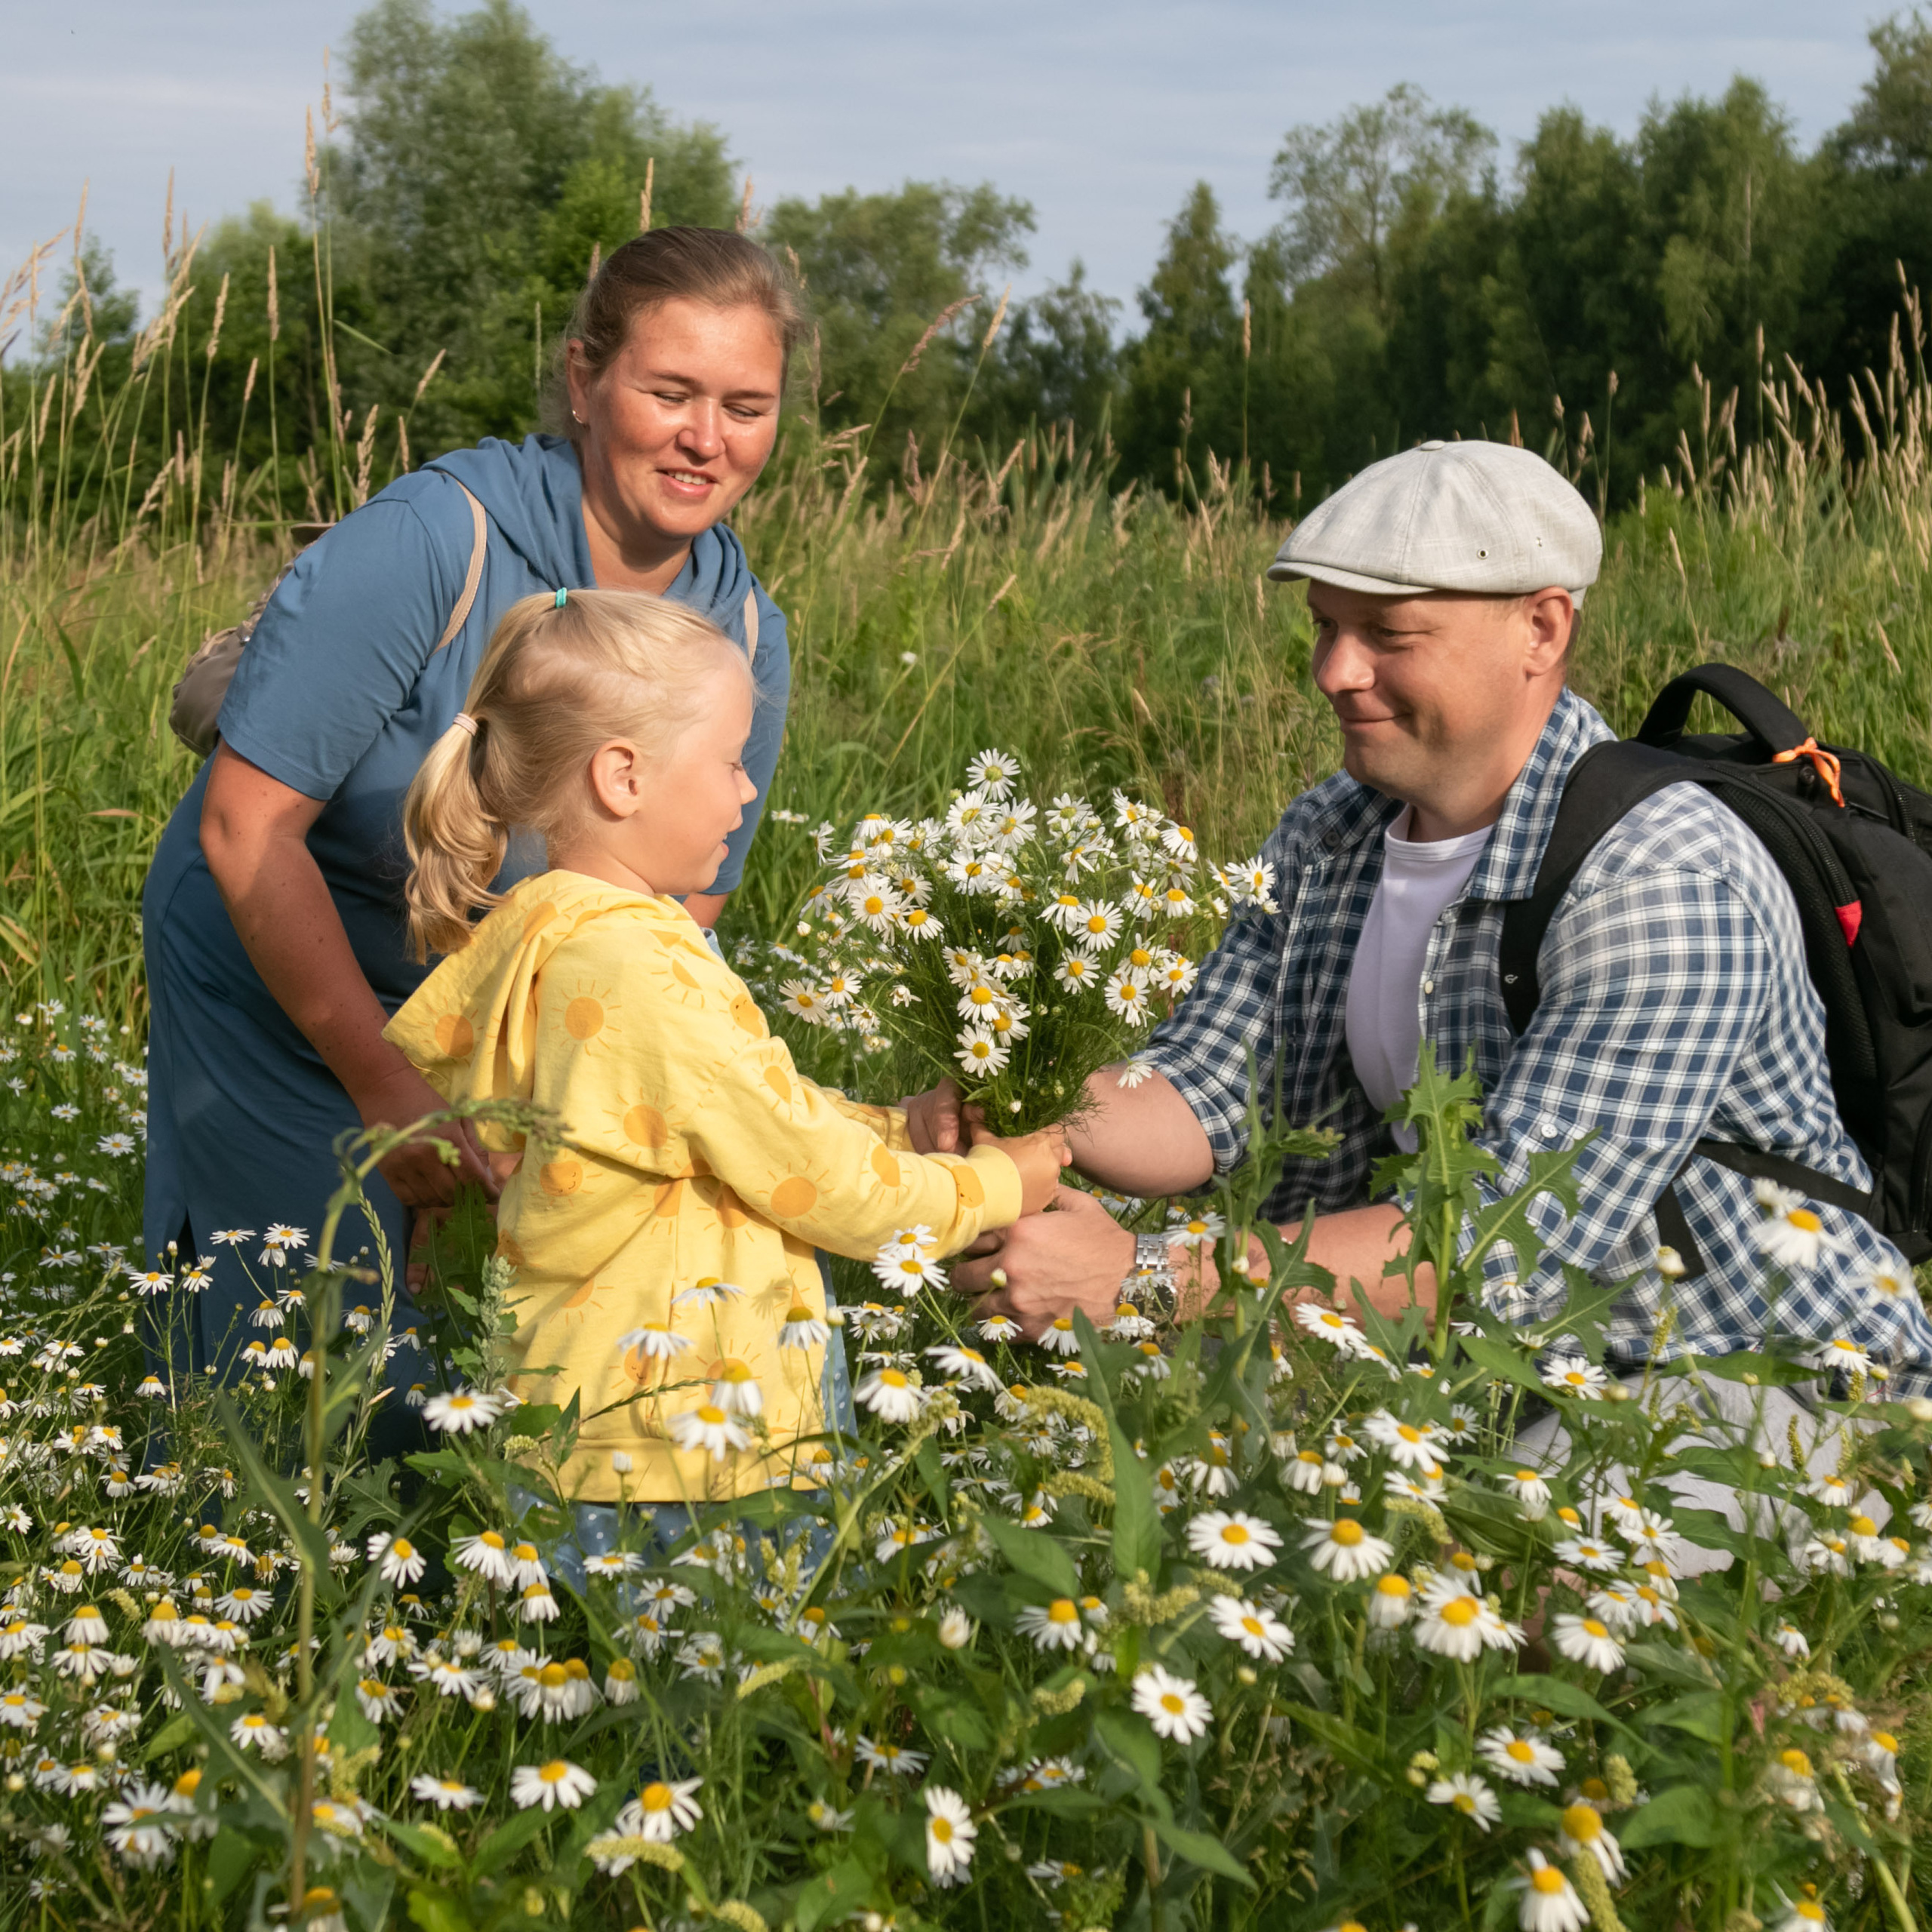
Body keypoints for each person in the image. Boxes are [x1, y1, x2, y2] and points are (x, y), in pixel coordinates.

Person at [913, 438, 1932, 1400]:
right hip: (1476, 1374)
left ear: (1542, 630)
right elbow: (1207, 1086)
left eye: (1389, 636)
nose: (1334, 672)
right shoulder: (1335, 829)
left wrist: (1145, 1279)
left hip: (1745, 1384)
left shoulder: (1661, 881)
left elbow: (1498, 1243)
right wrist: (1029, 1112)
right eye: (1325, 626)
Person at [141, 228, 802, 1399]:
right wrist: (393, 1094)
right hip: (285, 978)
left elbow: (671, 916)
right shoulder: (432, 541)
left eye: (746, 407)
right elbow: (247, 830)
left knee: (492, 1362)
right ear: (585, 379)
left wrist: (533, 1111)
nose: (707, 438)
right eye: (670, 393)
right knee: (313, 1361)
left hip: (500, 1023)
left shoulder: (743, 631)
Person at [383, 587, 1068, 1504]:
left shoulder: (543, 936)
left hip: (573, 1423)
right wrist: (998, 1184)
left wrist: (898, 1126)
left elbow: (734, 1116)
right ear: (623, 777)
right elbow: (821, 1183)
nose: (748, 789)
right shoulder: (643, 969)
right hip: (684, 1454)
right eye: (731, 761)